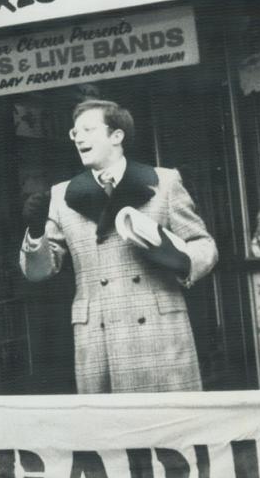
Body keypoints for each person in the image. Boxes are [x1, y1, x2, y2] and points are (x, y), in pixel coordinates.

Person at [19, 99, 217, 393]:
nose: (79, 138)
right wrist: (36, 233)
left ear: (117, 136)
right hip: (98, 338)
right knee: (114, 432)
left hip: (159, 334)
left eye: (88, 129)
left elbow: (204, 243)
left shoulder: (164, 182)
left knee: (169, 430)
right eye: (75, 133)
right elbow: (38, 272)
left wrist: (182, 259)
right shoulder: (62, 195)